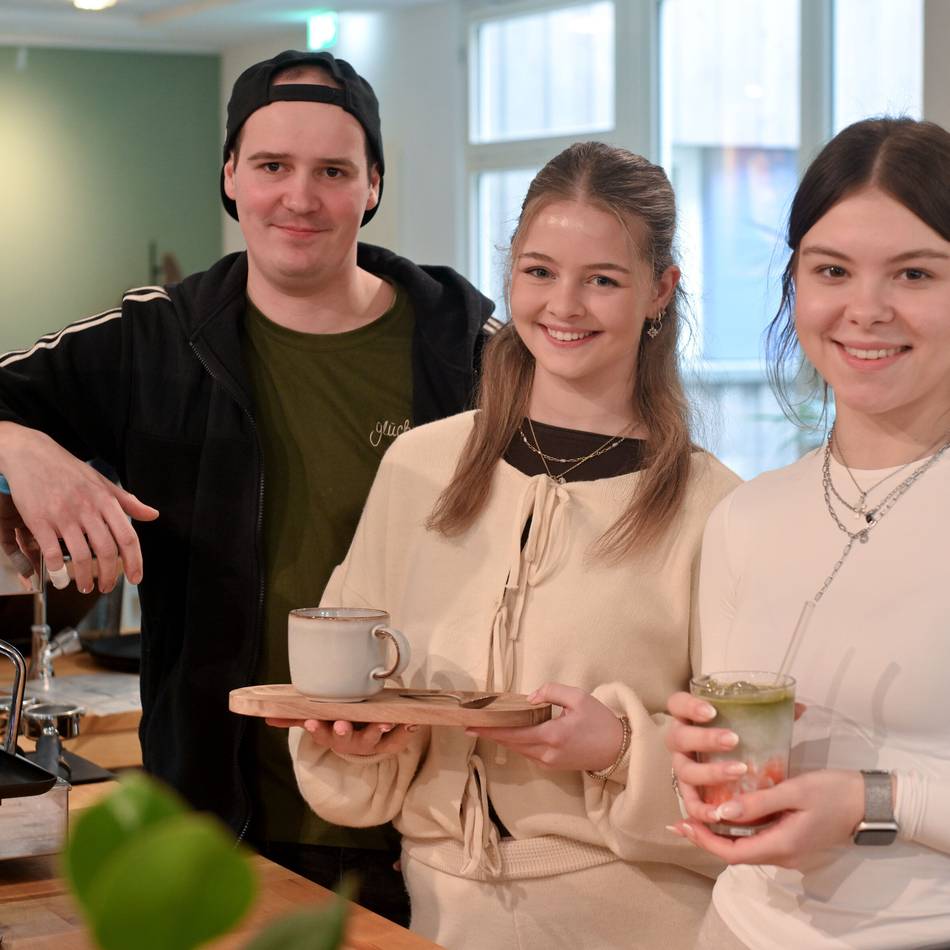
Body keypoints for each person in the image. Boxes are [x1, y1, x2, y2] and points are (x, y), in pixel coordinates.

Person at [0, 50, 495, 922]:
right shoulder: (154, 339)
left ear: (372, 185)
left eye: (333, 171)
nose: (298, 198)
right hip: (219, 823)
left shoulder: (466, 341)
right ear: (231, 175)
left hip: (439, 824)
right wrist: (22, 448)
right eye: (272, 166)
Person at [274, 141, 740, 949]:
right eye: (539, 271)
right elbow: (345, 709)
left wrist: (621, 747)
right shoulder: (419, 466)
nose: (565, 304)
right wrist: (357, 738)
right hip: (435, 918)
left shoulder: (718, 509)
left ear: (660, 291)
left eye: (603, 278)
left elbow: (744, 778)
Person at [666, 117, 950, 949]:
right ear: (796, 285)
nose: (866, 310)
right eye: (832, 270)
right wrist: (698, 761)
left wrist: (871, 800)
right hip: (737, 929)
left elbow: (862, 790)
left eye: (915, 273)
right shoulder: (747, 516)